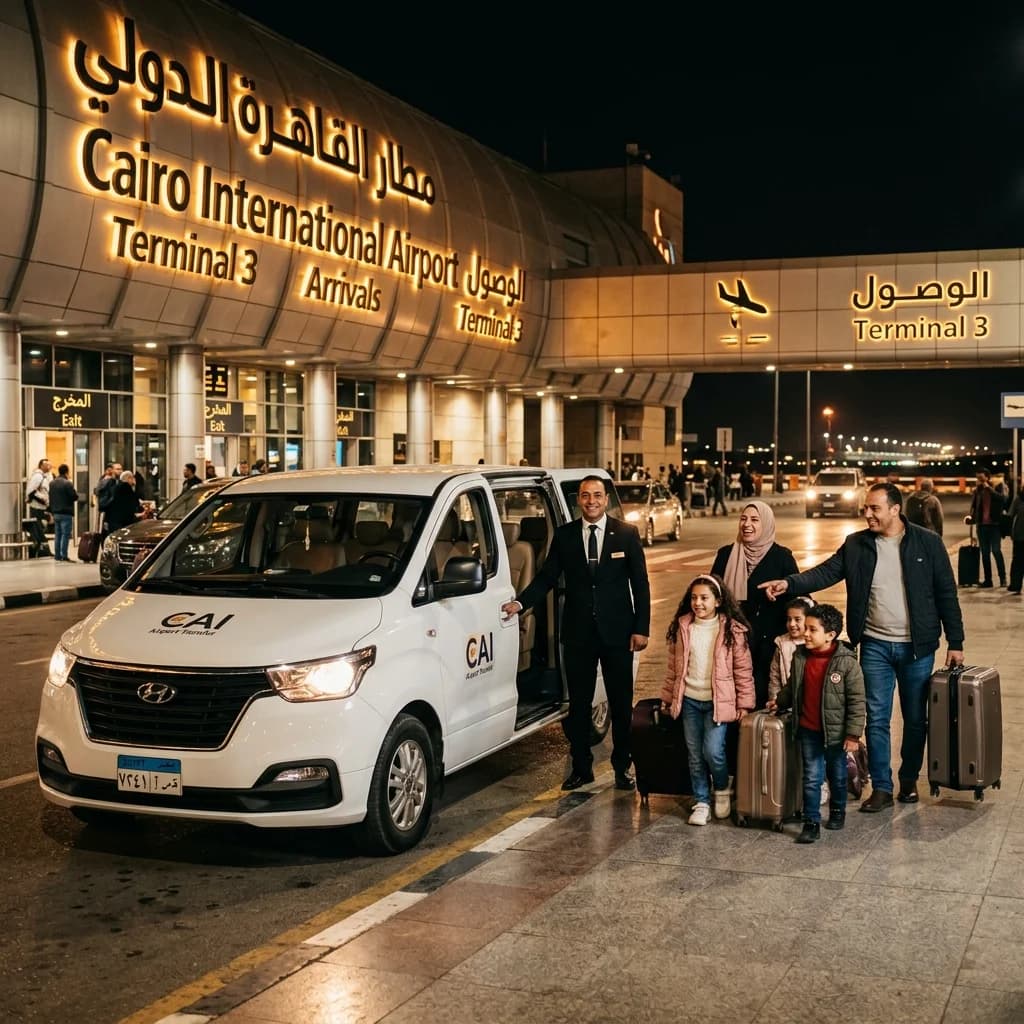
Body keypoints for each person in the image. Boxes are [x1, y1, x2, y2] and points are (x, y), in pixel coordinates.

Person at [758, 482, 964, 811]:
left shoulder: (928, 543)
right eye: (866, 508)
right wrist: (790, 583)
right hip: (875, 645)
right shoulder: (857, 545)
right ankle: (881, 787)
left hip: (917, 648)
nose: (867, 513)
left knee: (915, 720)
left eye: (874, 508)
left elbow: (946, 594)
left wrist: (956, 641)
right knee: (877, 719)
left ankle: (908, 779)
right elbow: (827, 571)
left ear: (895, 509)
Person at [501, 474, 650, 791]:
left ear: (605, 499)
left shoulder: (626, 534)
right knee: (578, 706)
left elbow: (640, 584)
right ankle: (582, 767)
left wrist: (641, 628)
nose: (591, 501)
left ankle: (623, 766)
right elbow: (547, 578)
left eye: (597, 495)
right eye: (585, 495)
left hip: (619, 633)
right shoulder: (566, 536)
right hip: (579, 633)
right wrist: (520, 602)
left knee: (621, 704)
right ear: (578, 500)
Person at [659, 574, 754, 825]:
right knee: (694, 754)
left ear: (719, 601)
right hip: (689, 700)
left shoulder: (733, 631)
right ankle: (701, 801)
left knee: (713, 752)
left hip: (717, 703)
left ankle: (722, 788)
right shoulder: (683, 627)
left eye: (704, 598)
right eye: (694, 598)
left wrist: (744, 704)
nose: (698, 603)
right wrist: (668, 698)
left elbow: (742, 671)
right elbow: (673, 668)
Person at [767, 604, 865, 843]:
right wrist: (779, 701)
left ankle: (838, 810)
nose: (805, 634)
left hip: (836, 733)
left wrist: (852, 735)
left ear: (830, 635)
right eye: (806, 628)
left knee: (837, 773)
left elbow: (857, 701)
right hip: (809, 729)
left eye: (812, 629)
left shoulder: (847, 663)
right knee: (811, 776)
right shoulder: (800, 657)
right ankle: (811, 822)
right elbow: (792, 687)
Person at [711, 501, 799, 708]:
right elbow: (712, 593)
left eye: (754, 520)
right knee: (730, 701)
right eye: (743, 518)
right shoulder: (726, 555)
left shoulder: (781, 557)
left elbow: (799, 599)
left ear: (766, 524)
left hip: (767, 646)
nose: (747, 524)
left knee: (761, 700)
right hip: (732, 642)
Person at [767, 596, 816, 702]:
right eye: (789, 619)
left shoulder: (815, 643)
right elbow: (775, 677)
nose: (792, 624)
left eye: (797, 619)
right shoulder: (781, 643)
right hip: (786, 705)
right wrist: (776, 700)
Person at [965, 470, 1006, 588]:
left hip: (994, 525)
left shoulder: (997, 487)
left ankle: (1003, 578)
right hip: (981, 525)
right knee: (985, 553)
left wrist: (989, 488)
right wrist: (971, 518)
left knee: (996, 551)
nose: (979, 481)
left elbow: (1002, 499)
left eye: (982, 479)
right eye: (978, 479)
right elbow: (974, 506)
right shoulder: (977, 491)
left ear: (988, 478)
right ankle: (988, 580)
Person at [48, 463, 78, 562]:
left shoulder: (52, 483)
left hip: (56, 512)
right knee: (65, 535)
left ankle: (57, 555)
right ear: (66, 472)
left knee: (58, 534)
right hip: (66, 513)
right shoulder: (67, 483)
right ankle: (64, 555)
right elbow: (74, 496)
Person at [25, 458, 53, 556]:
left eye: (50, 465)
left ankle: (41, 550)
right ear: (41, 465)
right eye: (47, 465)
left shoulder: (44, 476)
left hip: (41, 507)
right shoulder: (37, 476)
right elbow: (31, 491)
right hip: (37, 507)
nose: (49, 466)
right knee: (38, 530)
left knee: (40, 529)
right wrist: (44, 500)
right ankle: (42, 551)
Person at [93, 462, 121, 539]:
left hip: (106, 512)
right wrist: (112, 501)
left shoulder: (103, 481)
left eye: (121, 469)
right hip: (108, 512)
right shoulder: (110, 482)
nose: (120, 471)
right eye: (117, 469)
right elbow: (108, 498)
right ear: (111, 470)